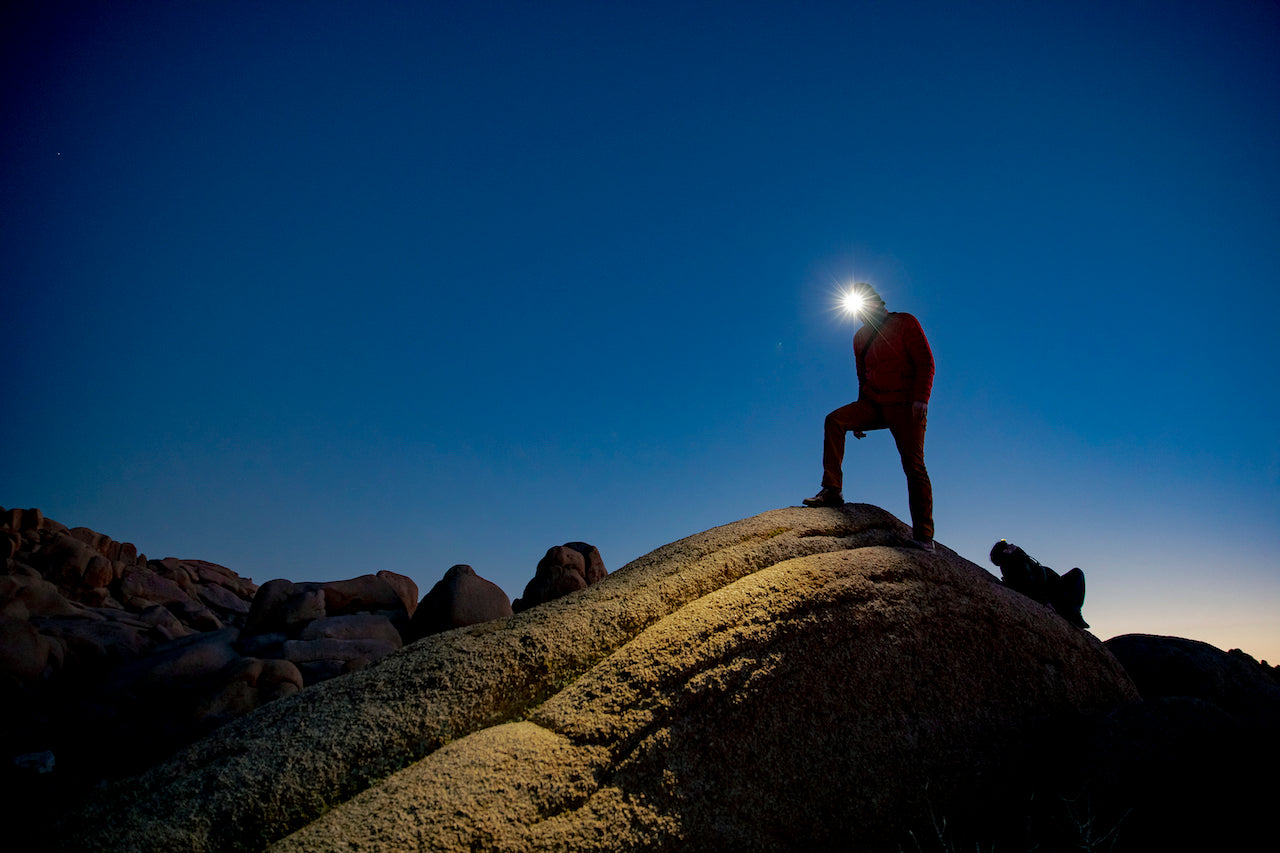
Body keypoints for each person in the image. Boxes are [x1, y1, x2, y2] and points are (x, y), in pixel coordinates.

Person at [803, 282, 936, 551]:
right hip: (874, 404)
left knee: (914, 466)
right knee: (835, 420)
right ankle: (832, 490)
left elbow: (926, 361)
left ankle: (924, 537)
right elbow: (862, 376)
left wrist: (922, 398)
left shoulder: (905, 322)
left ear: (878, 302)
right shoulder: (860, 338)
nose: (863, 314)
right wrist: (861, 412)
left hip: (906, 405)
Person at [989, 539, 1089, 629]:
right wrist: (1045, 601)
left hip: (1054, 588)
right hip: (1052, 594)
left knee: (1076, 574)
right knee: (1077, 573)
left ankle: (1074, 611)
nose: (1012, 544)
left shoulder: (1020, 558)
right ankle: (1073, 612)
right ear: (1006, 551)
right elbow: (1026, 585)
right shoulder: (1013, 563)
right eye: (1008, 545)